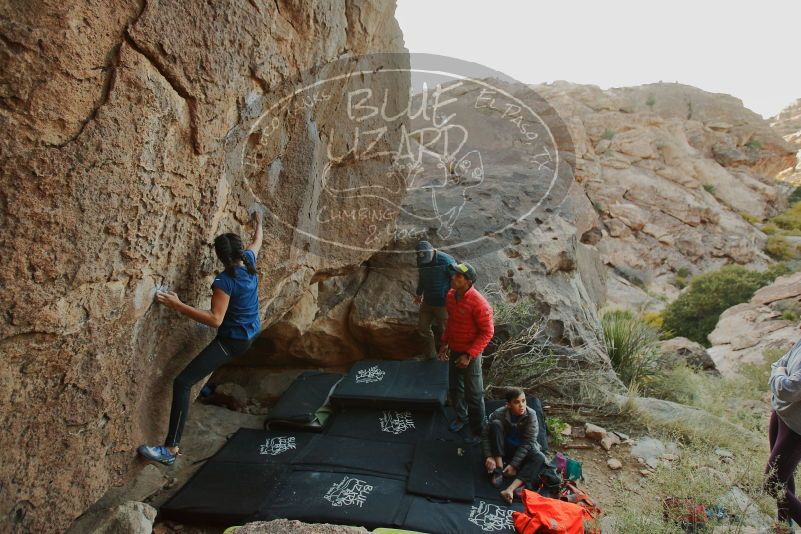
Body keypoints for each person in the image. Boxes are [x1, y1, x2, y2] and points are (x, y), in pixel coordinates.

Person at [137, 211, 263, 465]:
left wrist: (178, 305)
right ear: (239, 251)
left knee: (182, 382)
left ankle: (170, 451)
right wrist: (259, 224)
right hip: (246, 334)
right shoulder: (248, 263)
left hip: (232, 342)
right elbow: (257, 242)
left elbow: (215, 319)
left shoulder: (224, 281)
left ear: (220, 257)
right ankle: (206, 388)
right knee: (194, 374)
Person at [437, 262, 494, 445]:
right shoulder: (451, 296)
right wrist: (444, 342)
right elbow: (452, 322)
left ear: (468, 281)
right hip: (455, 348)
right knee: (455, 388)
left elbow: (487, 332)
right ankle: (462, 418)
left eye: (458, 276)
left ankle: (479, 431)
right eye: (454, 274)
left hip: (471, 354)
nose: (453, 277)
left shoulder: (480, 304)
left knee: (474, 394)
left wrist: (468, 355)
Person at [482, 387, 548, 504]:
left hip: (521, 448)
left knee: (540, 457)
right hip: (503, 448)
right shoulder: (498, 413)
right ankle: (499, 469)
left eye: (523, 401)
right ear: (508, 404)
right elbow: (486, 435)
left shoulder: (531, 415)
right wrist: (489, 456)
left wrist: (514, 464)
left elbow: (528, 443)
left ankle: (511, 489)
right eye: (516, 402)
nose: (521, 405)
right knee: (495, 425)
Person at [765, 333, 801, 532]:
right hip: (782, 412)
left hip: (797, 427)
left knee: (772, 483)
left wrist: (778, 374)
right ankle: (783, 528)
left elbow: (789, 389)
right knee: (783, 479)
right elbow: (781, 361)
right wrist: (779, 373)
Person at [413, 240, 456, 359]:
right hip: (427, 301)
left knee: (445, 332)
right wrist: (419, 293)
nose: (424, 261)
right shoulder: (421, 259)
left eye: (427, 257)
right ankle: (431, 356)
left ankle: (447, 357)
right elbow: (422, 278)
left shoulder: (446, 260)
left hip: (443, 303)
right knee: (422, 328)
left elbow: (456, 280)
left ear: (433, 250)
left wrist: (454, 299)